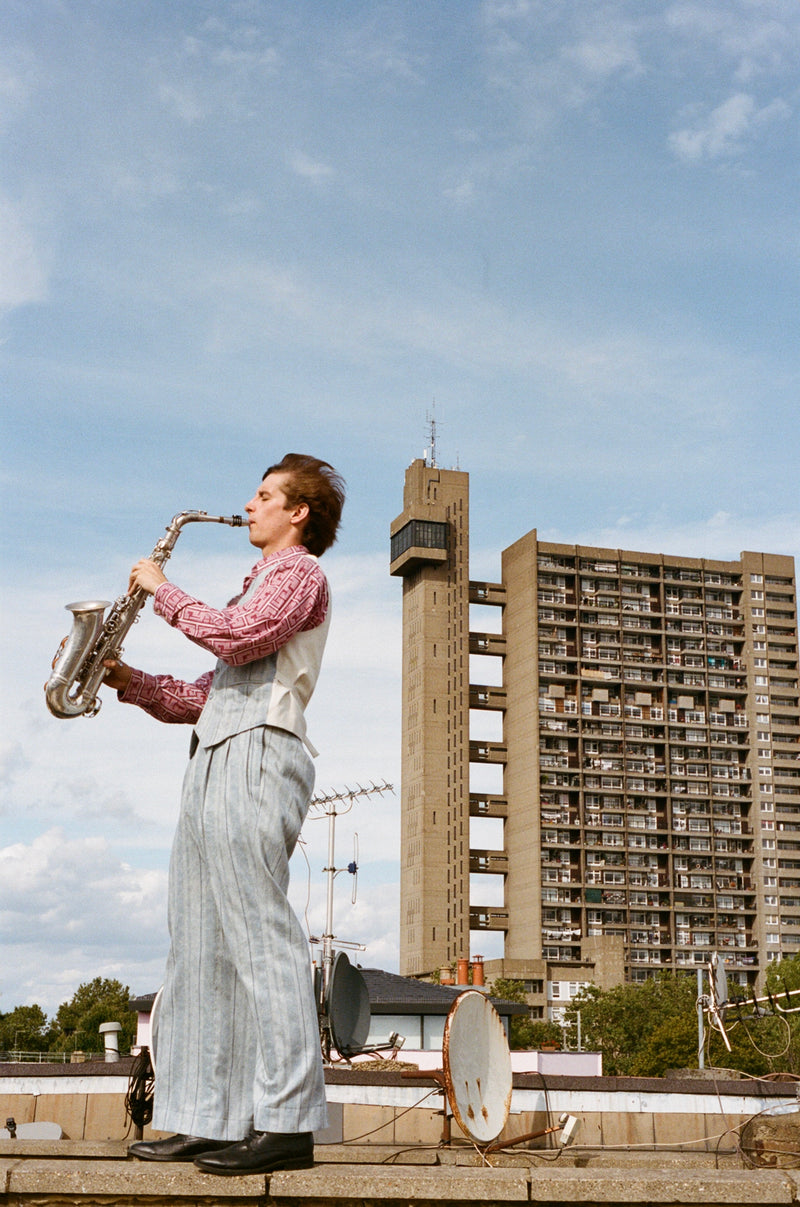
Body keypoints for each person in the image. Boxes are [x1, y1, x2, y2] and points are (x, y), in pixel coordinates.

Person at [104, 454, 345, 1176]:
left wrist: (164, 592)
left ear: (297, 511)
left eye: (265, 494)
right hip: (218, 751)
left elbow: (240, 636)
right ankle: (204, 1117)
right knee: (200, 943)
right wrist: (127, 679)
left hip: (263, 752)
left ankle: (287, 1121)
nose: (250, 503)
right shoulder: (261, 581)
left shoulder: (299, 572)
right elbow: (200, 695)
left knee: (259, 934)